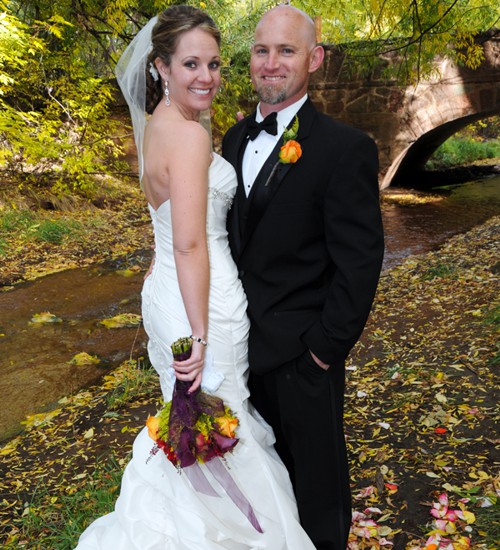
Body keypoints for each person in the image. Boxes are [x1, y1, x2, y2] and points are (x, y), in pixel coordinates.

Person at [75, 5, 315, 550]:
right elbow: (186, 243)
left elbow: (170, 226)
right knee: (221, 424)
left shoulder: (165, 126)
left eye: (213, 64)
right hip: (200, 301)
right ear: (160, 67)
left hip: (168, 293)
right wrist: (201, 333)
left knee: (194, 421)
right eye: (190, 64)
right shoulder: (188, 138)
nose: (206, 77)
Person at [223, 5, 385, 550]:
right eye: (261, 50)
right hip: (236, 353)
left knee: (316, 493)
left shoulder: (346, 148)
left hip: (301, 358)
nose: (271, 63)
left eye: (286, 50)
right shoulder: (231, 140)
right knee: (255, 489)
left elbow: (359, 261)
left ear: (314, 59)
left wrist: (322, 351)